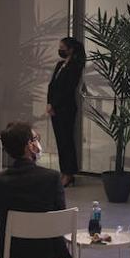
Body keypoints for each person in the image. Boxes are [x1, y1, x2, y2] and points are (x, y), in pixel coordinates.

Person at [0, 121, 71, 258]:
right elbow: (59, 215)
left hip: (7, 249)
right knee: (50, 242)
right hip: (43, 254)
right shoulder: (51, 178)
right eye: (35, 139)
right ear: (30, 146)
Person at [46, 37, 85, 187]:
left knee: (66, 141)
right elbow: (52, 85)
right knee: (60, 141)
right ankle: (64, 171)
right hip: (55, 108)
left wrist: (55, 104)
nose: (60, 49)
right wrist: (49, 103)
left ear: (70, 49)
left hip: (66, 108)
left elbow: (68, 89)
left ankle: (69, 173)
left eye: (63, 47)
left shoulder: (75, 66)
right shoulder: (60, 64)